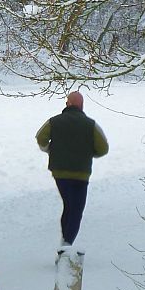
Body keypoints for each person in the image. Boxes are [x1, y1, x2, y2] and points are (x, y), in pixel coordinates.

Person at [35, 90, 109, 247]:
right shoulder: (91, 125)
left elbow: (40, 137)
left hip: (59, 172)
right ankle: (67, 245)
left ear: (67, 104)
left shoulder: (54, 121)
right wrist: (89, 153)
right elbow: (103, 149)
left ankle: (65, 241)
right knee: (76, 210)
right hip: (81, 174)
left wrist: (49, 149)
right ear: (82, 106)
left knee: (68, 206)